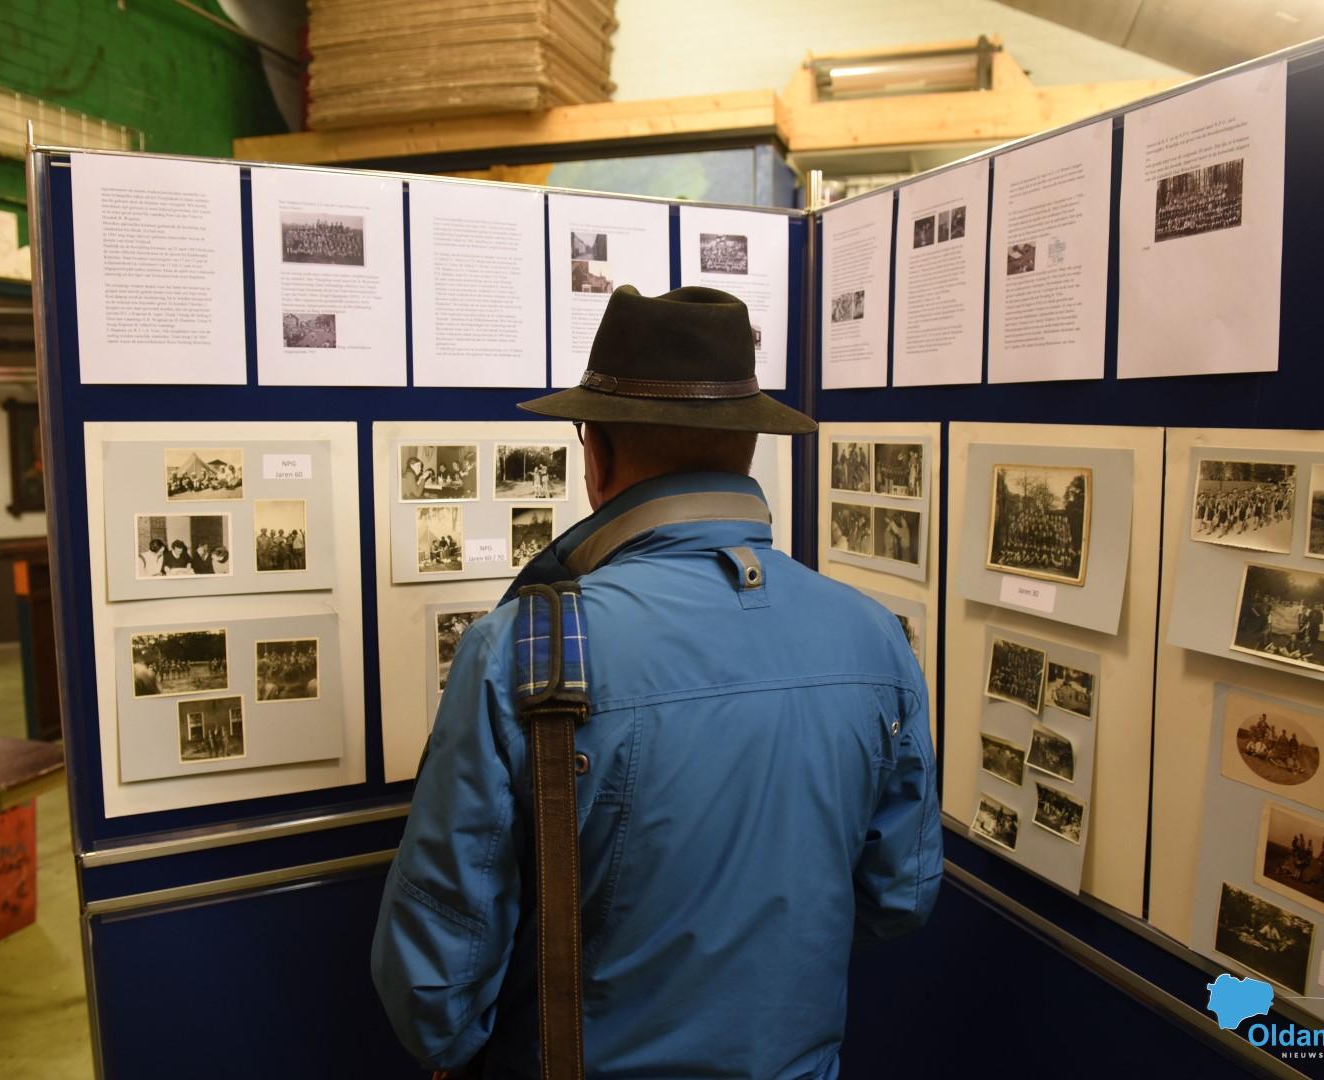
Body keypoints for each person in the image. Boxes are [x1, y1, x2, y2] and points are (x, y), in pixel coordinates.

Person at [371, 285, 941, 1079]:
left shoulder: (521, 649)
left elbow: (436, 987)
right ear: (748, 445)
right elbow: (899, 897)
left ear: (596, 453)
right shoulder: (873, 636)